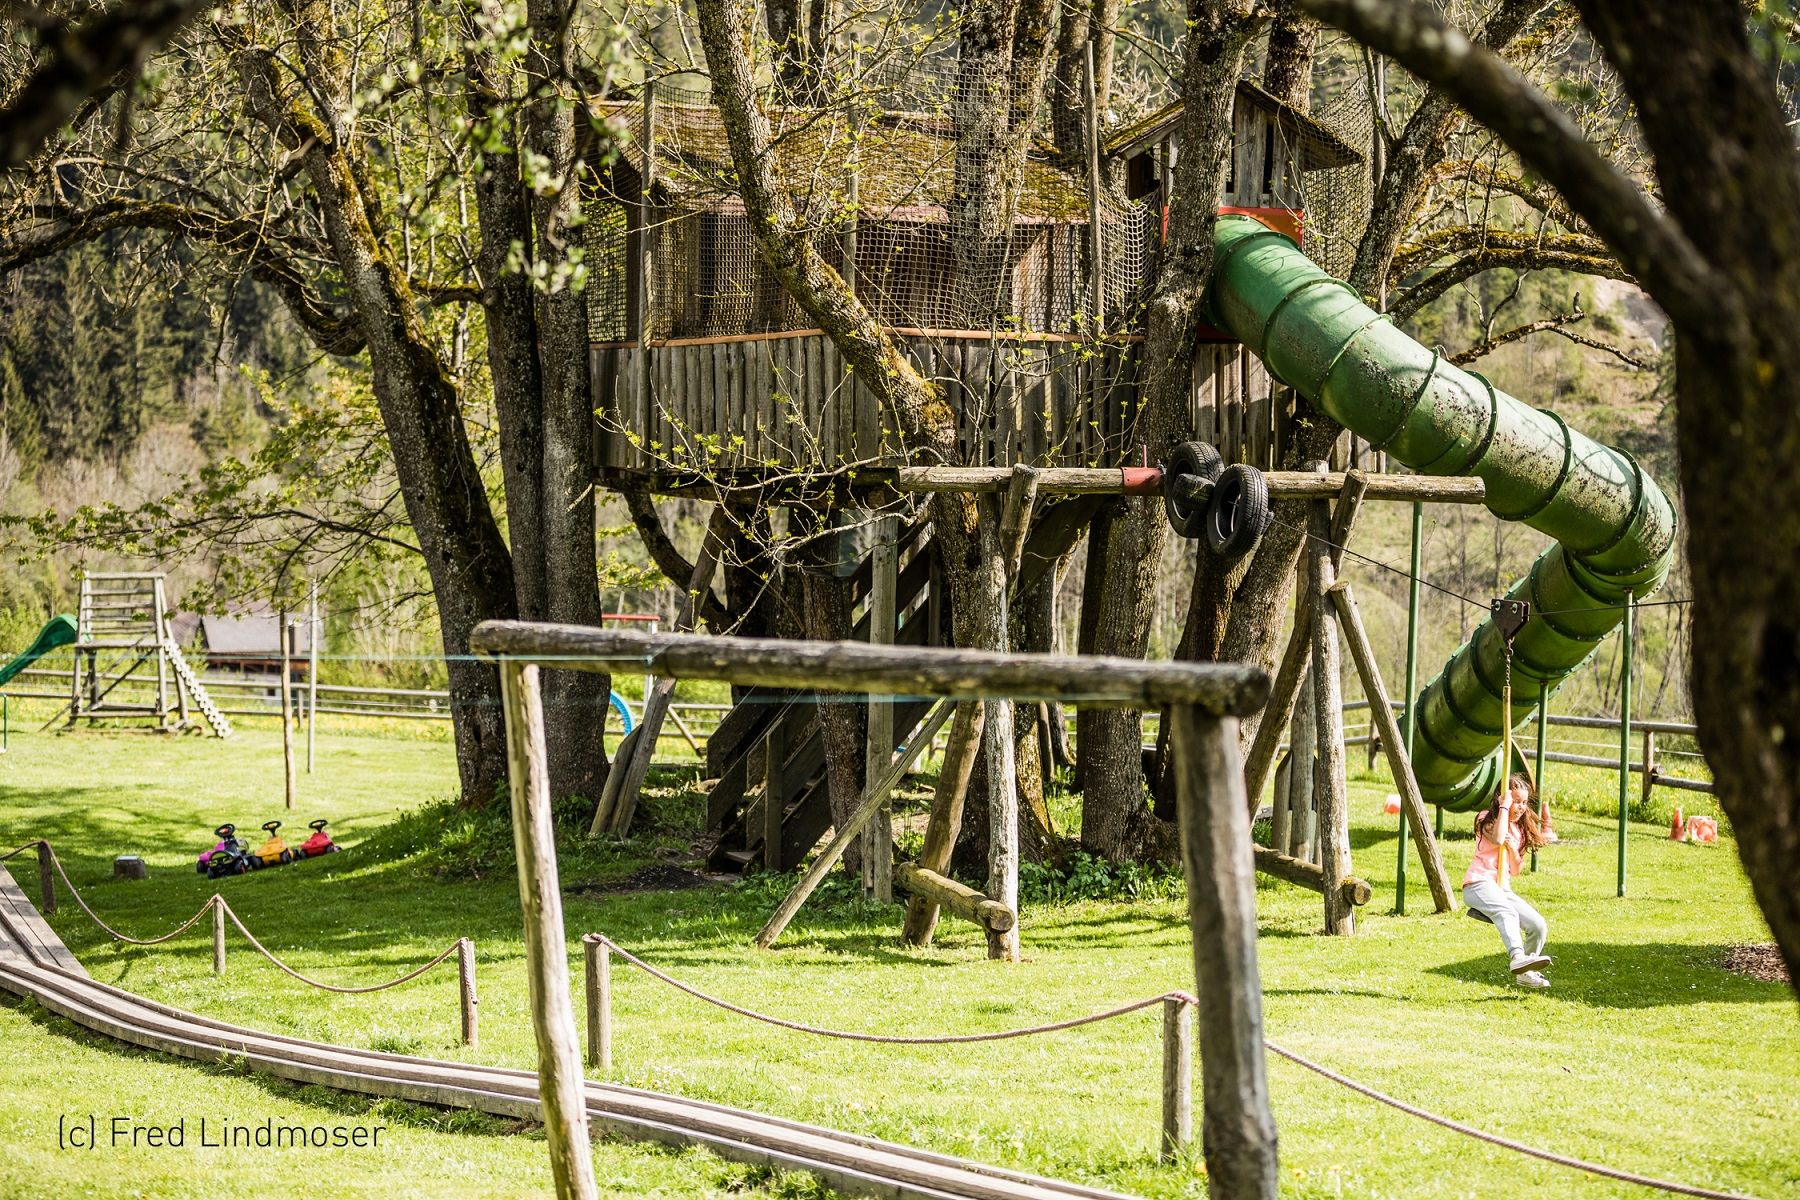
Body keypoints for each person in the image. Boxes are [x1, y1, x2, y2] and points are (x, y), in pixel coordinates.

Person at [1462, 771, 1554, 988]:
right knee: (1507, 912)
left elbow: (1516, 869)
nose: (1521, 807)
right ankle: (1517, 957)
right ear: (1501, 798)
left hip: (1502, 888)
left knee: (1538, 925)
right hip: (1479, 884)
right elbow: (1496, 838)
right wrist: (1504, 807)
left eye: (1524, 803)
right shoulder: (1486, 818)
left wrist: (1512, 849)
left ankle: (1525, 973)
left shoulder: (1518, 830)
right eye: (1516, 801)